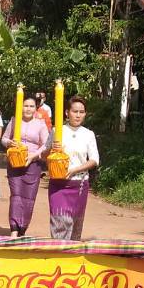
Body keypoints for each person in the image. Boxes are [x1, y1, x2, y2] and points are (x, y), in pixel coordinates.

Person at [47, 94, 99, 239]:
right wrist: (52, 149)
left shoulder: (88, 134)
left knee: (75, 226)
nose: (78, 115)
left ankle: (72, 252)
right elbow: (44, 154)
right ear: (67, 112)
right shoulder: (57, 131)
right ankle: (58, 250)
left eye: (81, 112)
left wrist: (75, 169)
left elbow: (94, 160)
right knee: (60, 222)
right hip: (59, 184)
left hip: (79, 184)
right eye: (75, 111)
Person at [0, 95, 50, 237]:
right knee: (16, 195)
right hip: (15, 163)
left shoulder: (40, 124)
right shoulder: (14, 121)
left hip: (33, 164)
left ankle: (22, 228)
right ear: (20, 107)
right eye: (25, 106)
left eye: (31, 106)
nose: (28, 109)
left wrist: (34, 155)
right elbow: (4, 139)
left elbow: (46, 144)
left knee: (29, 197)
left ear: (36, 108)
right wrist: (9, 143)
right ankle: (14, 229)